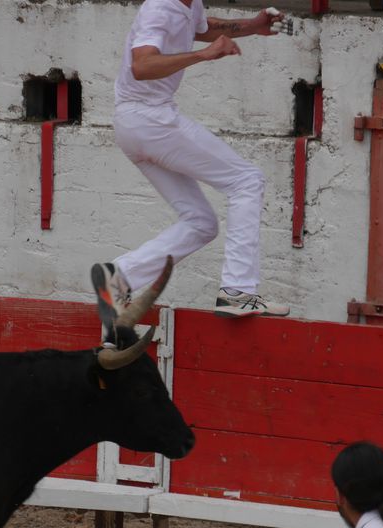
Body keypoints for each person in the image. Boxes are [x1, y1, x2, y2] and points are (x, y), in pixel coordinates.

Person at [91, 0, 290, 325]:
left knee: (201, 223)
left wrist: (253, 26)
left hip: (135, 125)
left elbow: (202, 26)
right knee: (246, 181)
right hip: (149, 118)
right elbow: (141, 65)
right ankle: (238, 292)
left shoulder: (188, 3)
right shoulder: (159, 8)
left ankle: (119, 278)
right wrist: (203, 54)